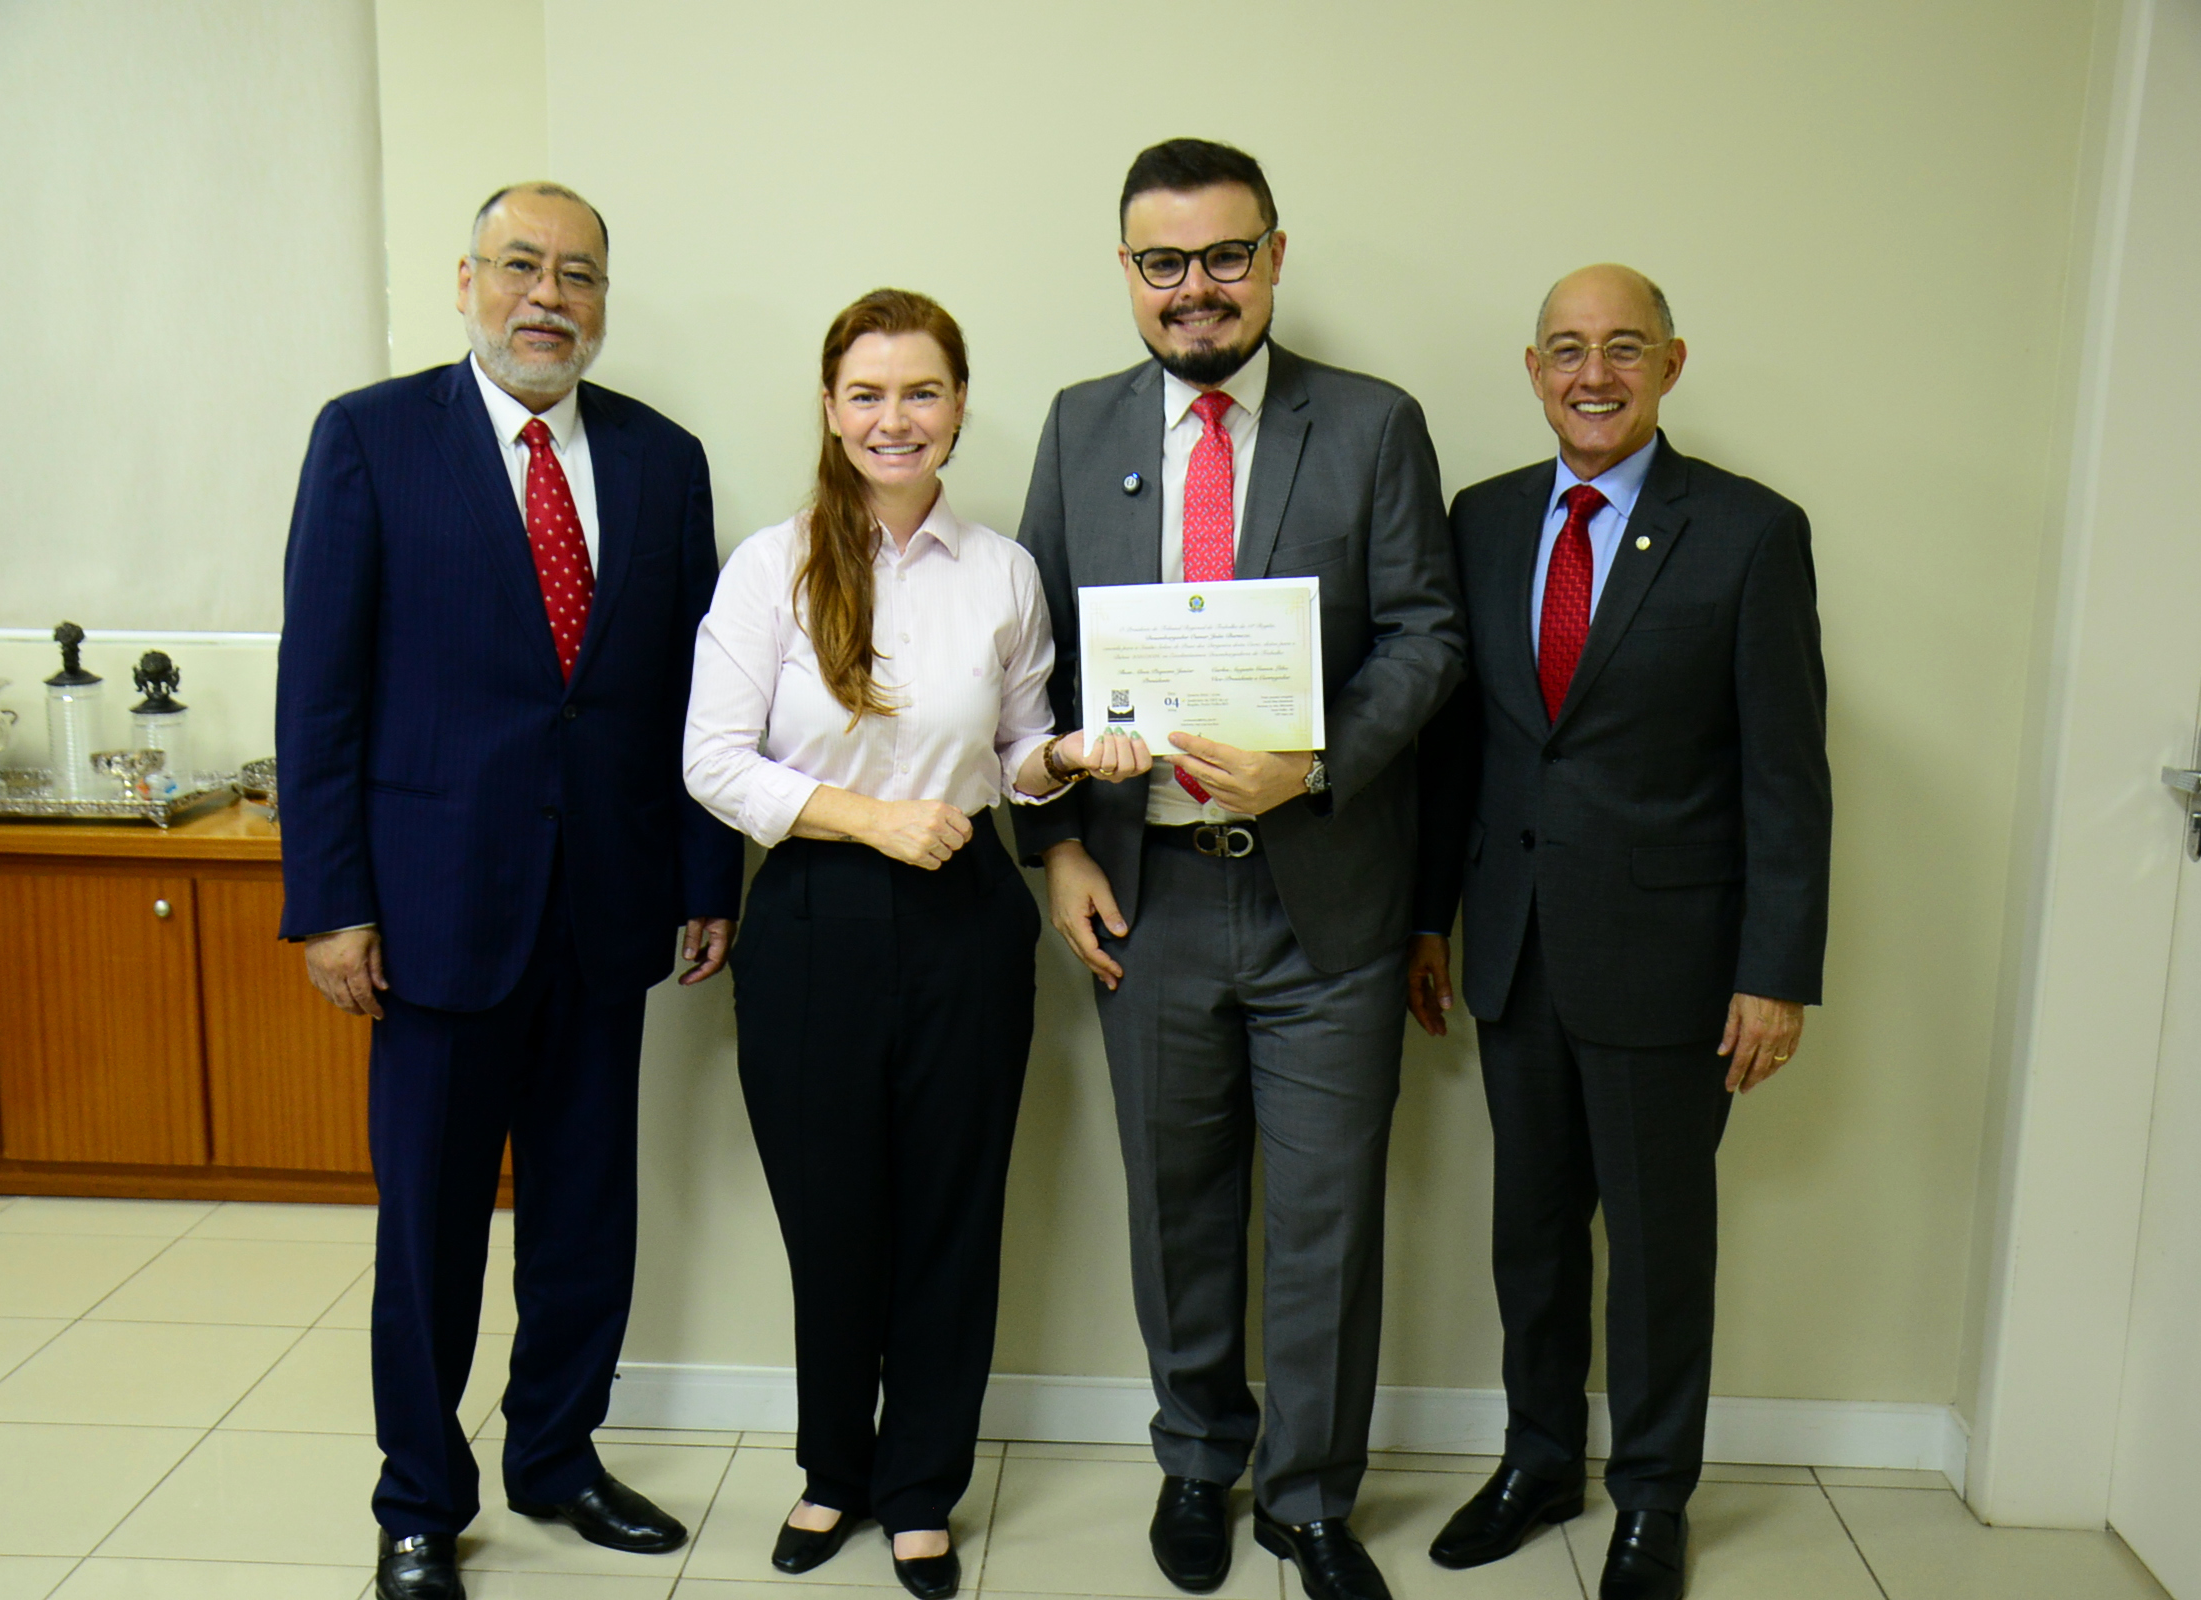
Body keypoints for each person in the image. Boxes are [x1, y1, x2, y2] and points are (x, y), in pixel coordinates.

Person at [278, 182, 743, 1600]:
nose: (551, 296)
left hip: (608, 910)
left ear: (606, 302)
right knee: (428, 1230)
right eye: (522, 267)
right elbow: (323, 691)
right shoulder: (369, 439)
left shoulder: (664, 461)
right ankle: (420, 1495)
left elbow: (689, 692)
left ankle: (556, 1456)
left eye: (580, 275)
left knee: (589, 1214)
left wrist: (705, 873)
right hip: (428, 916)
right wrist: (330, 899)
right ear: (467, 281)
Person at [1014, 139, 1465, 1600]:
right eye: (1164, 262)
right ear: (1128, 274)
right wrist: (1059, 847)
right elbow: (1034, 669)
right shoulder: (1080, 430)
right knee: (1178, 1201)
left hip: (1326, 896)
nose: (1195, 289)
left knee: (1328, 1218)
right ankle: (1200, 1462)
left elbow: (1429, 637)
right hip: (1149, 897)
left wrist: (1315, 762)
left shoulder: (1375, 425)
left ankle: (1313, 1499)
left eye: (1224, 257)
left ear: (1274, 256)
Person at [684, 288, 1149, 1600]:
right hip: (815, 920)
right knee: (832, 1221)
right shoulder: (770, 567)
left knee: (952, 1216)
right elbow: (710, 759)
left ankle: (920, 1488)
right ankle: (834, 1470)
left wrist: (1059, 758)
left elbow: (1017, 750)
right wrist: (874, 822)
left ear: (957, 407)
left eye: (923, 392)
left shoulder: (1001, 572)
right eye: (870, 394)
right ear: (833, 411)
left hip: (967, 929)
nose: (897, 419)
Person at [1408, 264, 1831, 1600]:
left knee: (1655, 1251)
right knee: (1529, 1238)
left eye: (1625, 349)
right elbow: (1455, 751)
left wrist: (1775, 972)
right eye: (1569, 351)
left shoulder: (1752, 534)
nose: (1596, 375)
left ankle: (1652, 1494)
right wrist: (1429, 920)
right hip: (1515, 948)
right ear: (1533, 370)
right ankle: (1542, 1460)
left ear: (1672, 364)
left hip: (1669, 966)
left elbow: (1787, 775)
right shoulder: (1479, 521)